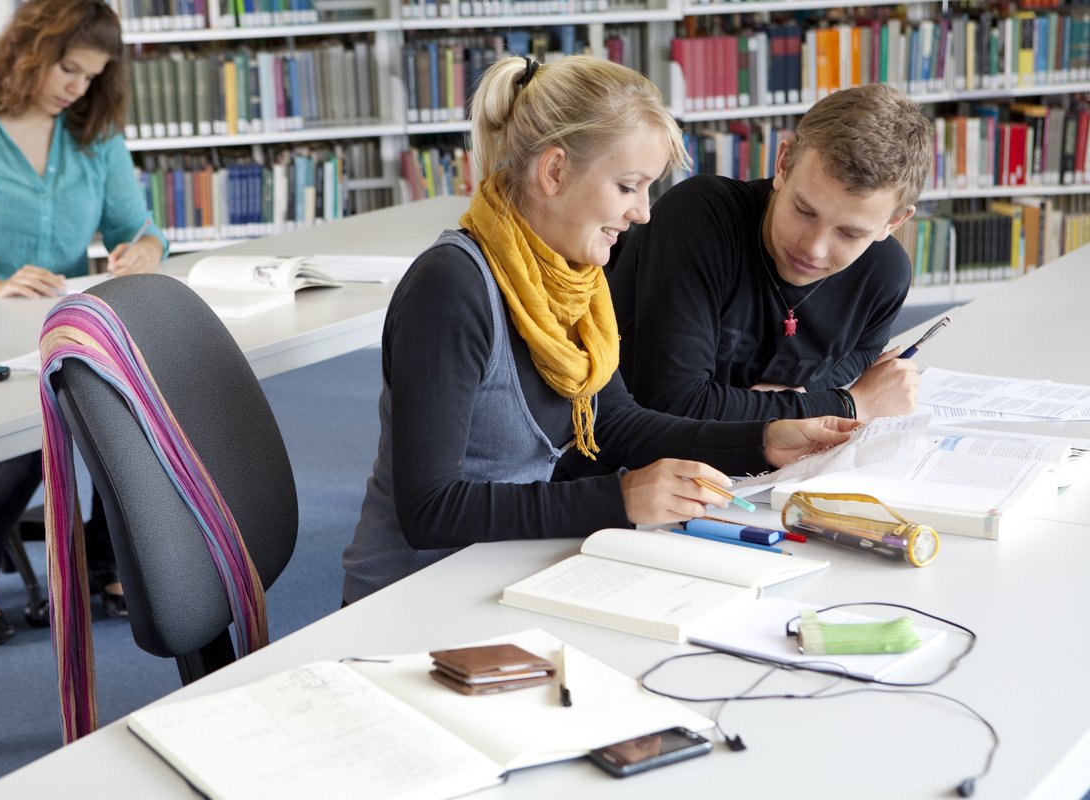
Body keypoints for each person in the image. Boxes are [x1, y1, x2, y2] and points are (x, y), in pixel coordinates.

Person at [341, 55, 857, 604]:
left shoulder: (574, 279)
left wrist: (761, 441)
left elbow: (613, 422)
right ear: (555, 171)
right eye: (629, 186)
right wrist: (622, 496)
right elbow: (430, 510)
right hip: (412, 595)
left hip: (499, 569)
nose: (644, 214)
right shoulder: (451, 288)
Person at [0, 0, 167, 644]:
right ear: (28, 50)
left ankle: (106, 564)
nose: (78, 88)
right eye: (69, 69)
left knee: (131, 404)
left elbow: (141, 227)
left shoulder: (92, 133)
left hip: (62, 327)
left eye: (92, 77)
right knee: (32, 437)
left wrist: (144, 251)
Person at [608, 83, 933, 424]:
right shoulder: (699, 216)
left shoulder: (885, 273)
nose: (813, 248)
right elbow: (672, 402)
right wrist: (847, 405)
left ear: (893, 222)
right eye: (804, 211)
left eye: (850, 233)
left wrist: (795, 398)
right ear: (783, 163)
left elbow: (860, 352)